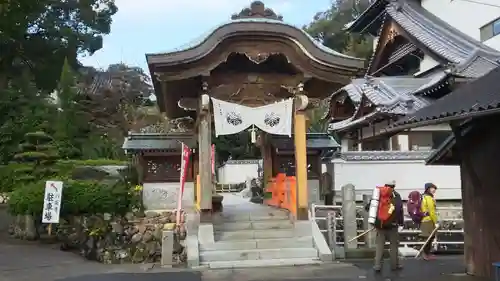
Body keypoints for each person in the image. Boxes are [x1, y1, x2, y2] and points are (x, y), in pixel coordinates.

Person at [369, 180, 404, 272]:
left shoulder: (378, 194)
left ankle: (377, 265)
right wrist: (400, 223)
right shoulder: (396, 196)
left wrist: (376, 220)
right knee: (393, 246)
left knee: (380, 245)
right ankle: (394, 265)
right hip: (392, 225)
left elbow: (369, 206)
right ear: (394, 186)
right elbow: (399, 210)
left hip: (380, 225)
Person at [419, 182, 438, 260]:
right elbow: (432, 211)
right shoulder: (428, 198)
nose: (434, 190)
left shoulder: (424, 197)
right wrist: (435, 222)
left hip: (425, 220)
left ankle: (427, 253)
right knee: (428, 238)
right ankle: (425, 254)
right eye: (433, 188)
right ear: (429, 189)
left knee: (429, 237)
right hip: (428, 220)